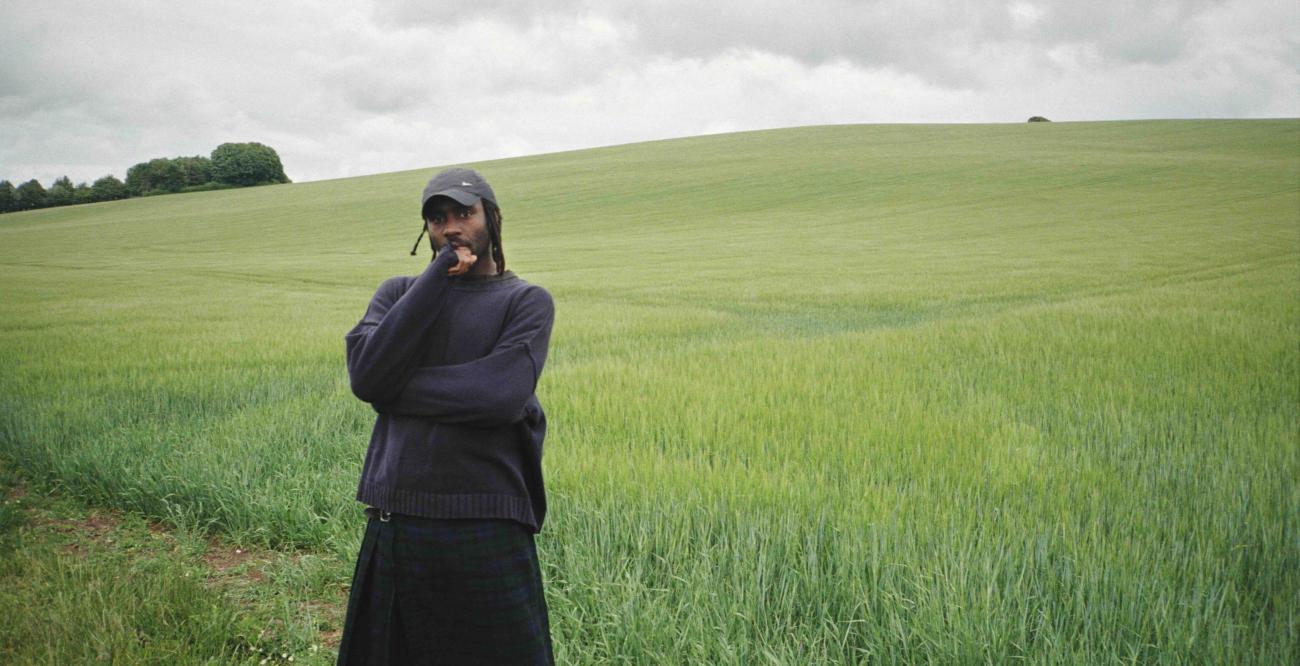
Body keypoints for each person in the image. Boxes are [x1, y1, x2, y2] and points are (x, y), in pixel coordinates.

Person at [337, 167, 556, 664]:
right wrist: (436, 277)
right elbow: (367, 376)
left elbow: (498, 395)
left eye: (464, 213)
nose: (451, 227)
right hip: (397, 520)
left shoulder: (525, 301)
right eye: (437, 219)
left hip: (487, 520)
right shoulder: (398, 294)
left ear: (492, 218)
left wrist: (391, 389)